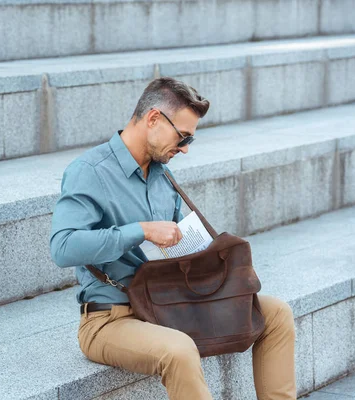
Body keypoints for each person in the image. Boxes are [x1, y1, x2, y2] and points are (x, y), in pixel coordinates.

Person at [49, 77, 296, 399]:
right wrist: (142, 230)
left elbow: (181, 247)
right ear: (153, 119)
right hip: (111, 318)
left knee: (276, 313)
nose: (185, 148)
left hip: (171, 303)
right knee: (179, 348)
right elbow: (63, 247)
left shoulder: (163, 176)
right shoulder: (90, 171)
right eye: (183, 136)